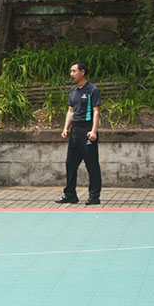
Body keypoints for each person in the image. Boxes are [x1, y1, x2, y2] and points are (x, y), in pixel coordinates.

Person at [56, 60, 102, 206]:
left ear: (83, 72)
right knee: (70, 163)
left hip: (87, 130)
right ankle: (70, 194)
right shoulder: (73, 91)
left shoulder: (92, 90)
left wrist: (93, 131)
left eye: (74, 71)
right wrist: (66, 128)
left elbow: (96, 112)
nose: (72, 74)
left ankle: (94, 196)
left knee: (92, 164)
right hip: (75, 130)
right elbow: (70, 111)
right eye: (71, 71)